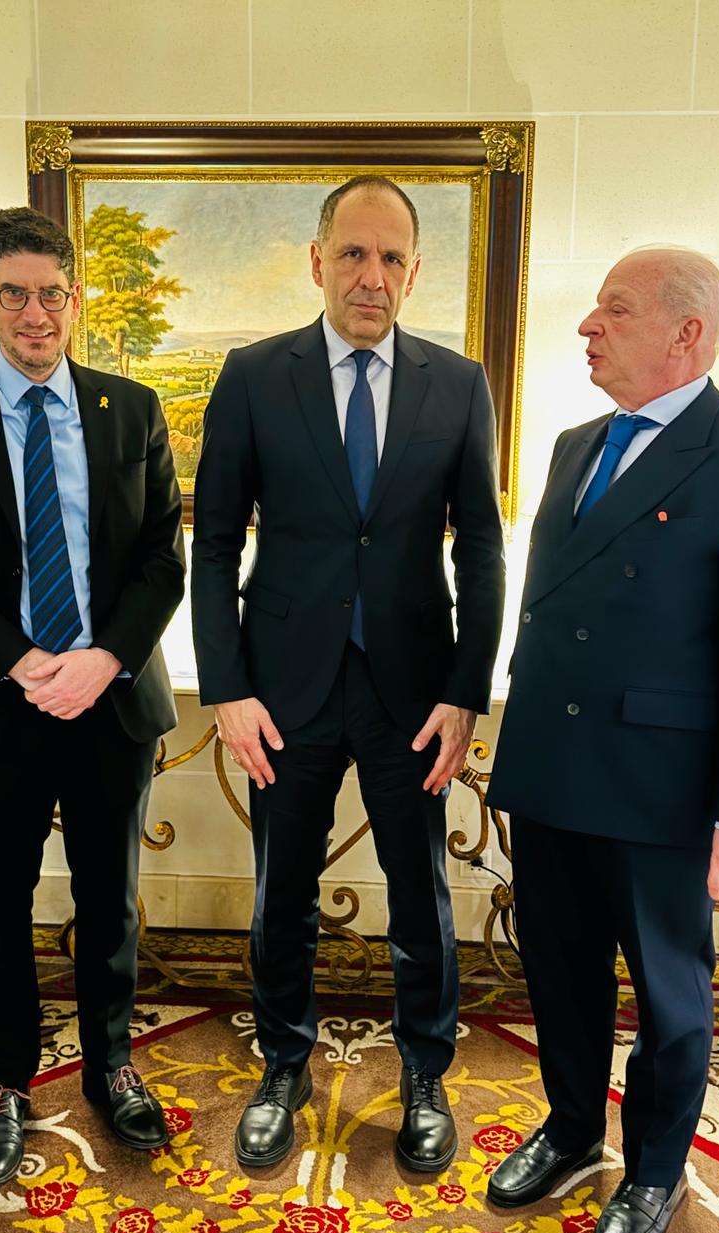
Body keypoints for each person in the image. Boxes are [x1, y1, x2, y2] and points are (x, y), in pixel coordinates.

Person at [484, 248, 719, 1233]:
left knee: (669, 1001)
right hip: (553, 765)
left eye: (615, 310)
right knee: (558, 971)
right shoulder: (573, 444)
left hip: (663, 789)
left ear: (687, 333)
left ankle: (651, 1168)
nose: (587, 326)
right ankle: (568, 1128)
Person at [191, 176, 505, 1172]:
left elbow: (481, 551)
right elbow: (213, 545)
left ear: (414, 272)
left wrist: (464, 692)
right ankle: (282, 1065)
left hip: (412, 692)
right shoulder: (252, 375)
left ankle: (423, 1073)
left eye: (391, 258)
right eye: (353, 253)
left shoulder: (457, 384)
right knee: (280, 891)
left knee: (421, 894)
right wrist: (225, 688)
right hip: (282, 689)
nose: (371, 276)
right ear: (316, 260)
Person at [0, 206, 187, 1186]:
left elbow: (161, 557)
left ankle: (111, 1065)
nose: (34, 313)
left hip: (109, 700)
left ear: (75, 298)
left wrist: (104, 657)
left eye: (51, 293)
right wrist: (19, 660)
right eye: (13, 293)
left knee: (110, 899)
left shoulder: (130, 408)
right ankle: (7, 1082)